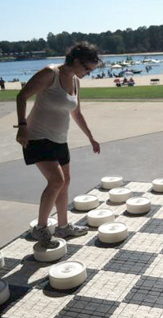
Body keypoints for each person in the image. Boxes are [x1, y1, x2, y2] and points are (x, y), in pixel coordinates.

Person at [15, 42, 101, 248]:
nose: (88, 73)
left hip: (59, 139)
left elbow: (76, 113)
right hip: (36, 137)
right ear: (76, 61)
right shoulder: (49, 74)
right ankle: (41, 229)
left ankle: (63, 226)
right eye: (87, 68)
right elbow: (22, 96)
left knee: (65, 181)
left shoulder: (75, 81)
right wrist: (22, 126)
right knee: (56, 181)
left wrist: (90, 137)